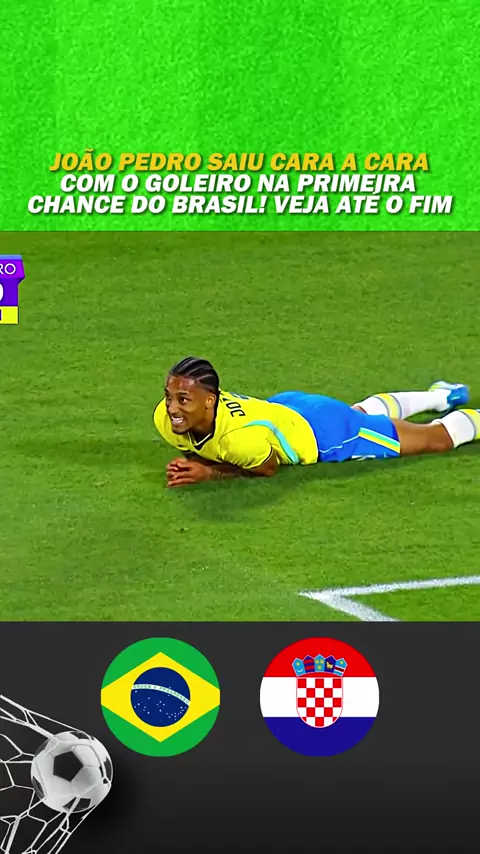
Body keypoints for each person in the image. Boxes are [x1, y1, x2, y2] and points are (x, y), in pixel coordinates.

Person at [153, 356, 479, 488]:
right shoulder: (165, 419)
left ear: (210, 400)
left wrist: (208, 472)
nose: (172, 408)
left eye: (183, 399)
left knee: (434, 439)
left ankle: (457, 411)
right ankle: (441, 396)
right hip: (284, 408)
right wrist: (196, 461)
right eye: (169, 397)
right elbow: (201, 446)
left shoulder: (240, 439)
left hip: (326, 433)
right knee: (361, 415)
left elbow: (266, 468)